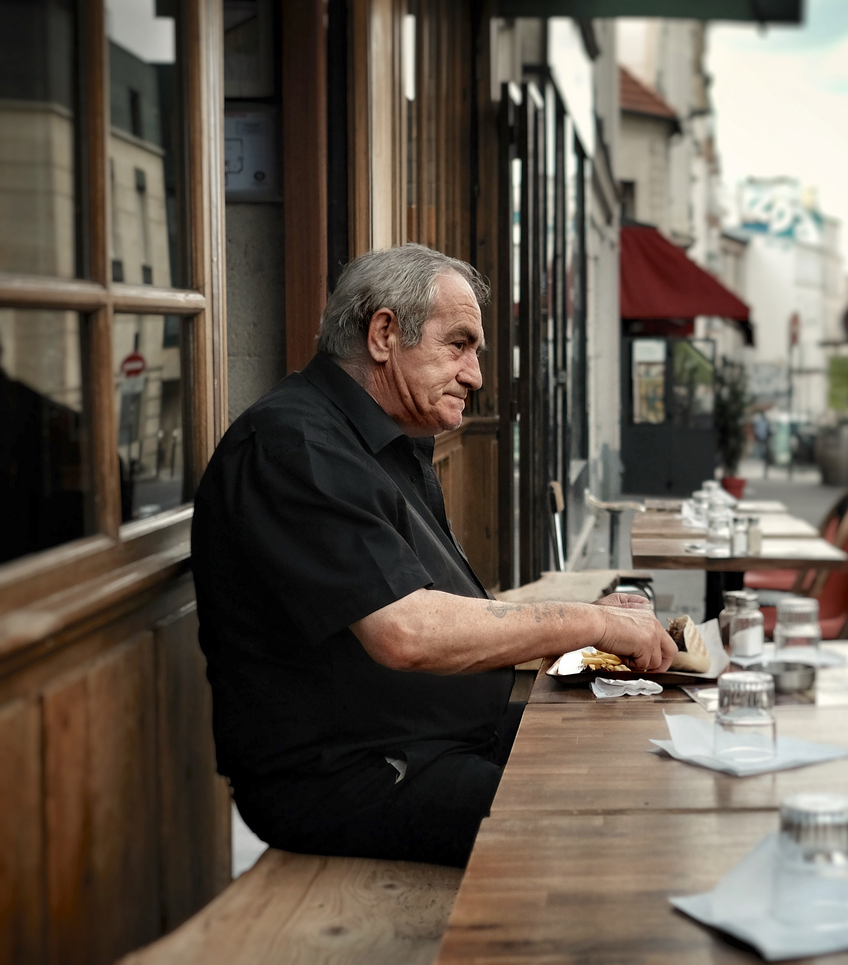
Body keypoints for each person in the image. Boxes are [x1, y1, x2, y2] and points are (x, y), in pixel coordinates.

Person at [193, 244, 675, 867]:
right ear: (384, 334)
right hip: (355, 777)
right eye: (460, 345)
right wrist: (595, 622)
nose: (476, 374)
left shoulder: (385, 443)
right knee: (610, 824)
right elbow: (407, 632)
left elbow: (450, 615)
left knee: (639, 756)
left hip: (430, 743)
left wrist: (590, 623)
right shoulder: (297, 446)